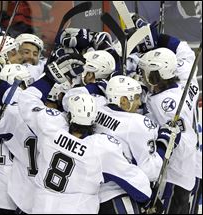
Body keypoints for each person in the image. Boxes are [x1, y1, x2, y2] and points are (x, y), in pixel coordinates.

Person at [15, 60, 153, 213]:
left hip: (42, 206)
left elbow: (26, 99)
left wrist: (49, 78)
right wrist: (148, 202)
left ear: (69, 115)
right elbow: (138, 187)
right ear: (94, 119)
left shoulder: (51, 127)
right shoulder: (100, 148)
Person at [0, 53, 86, 214]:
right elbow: (23, 100)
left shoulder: (15, 115)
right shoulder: (63, 125)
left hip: (5, 196)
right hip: (43, 201)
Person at [139, 47, 199, 214]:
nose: (144, 78)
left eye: (149, 75)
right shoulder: (185, 81)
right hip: (187, 167)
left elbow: (173, 136)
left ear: (161, 76)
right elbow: (187, 56)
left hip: (174, 171)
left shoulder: (164, 103)